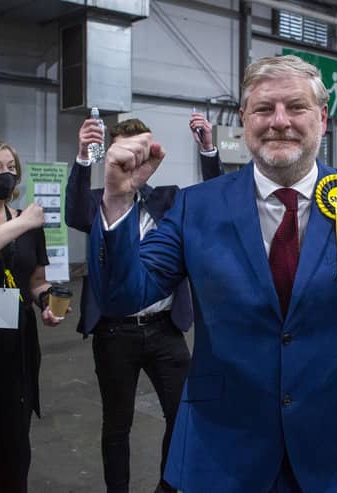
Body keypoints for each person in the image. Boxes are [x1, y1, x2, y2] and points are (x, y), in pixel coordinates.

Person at [88, 55, 337, 493]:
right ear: (245, 119)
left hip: (336, 445)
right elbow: (122, 296)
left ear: (321, 117)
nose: (279, 121)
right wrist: (116, 201)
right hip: (223, 445)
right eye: (264, 109)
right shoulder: (194, 206)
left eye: (296, 107)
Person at [65, 117, 223, 493]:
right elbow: (73, 213)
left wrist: (208, 150)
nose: (134, 157)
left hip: (165, 328)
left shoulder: (168, 200)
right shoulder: (97, 201)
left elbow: (214, 199)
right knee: (117, 424)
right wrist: (84, 158)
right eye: (126, 149)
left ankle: (168, 488)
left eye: (141, 148)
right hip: (114, 330)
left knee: (183, 415)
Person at [0, 138, 66, 493]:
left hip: (16, 346)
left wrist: (46, 299)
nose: (6, 174)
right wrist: (23, 222)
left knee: (14, 446)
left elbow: (35, 281)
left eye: (11, 168)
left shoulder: (29, 225)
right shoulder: (25, 221)